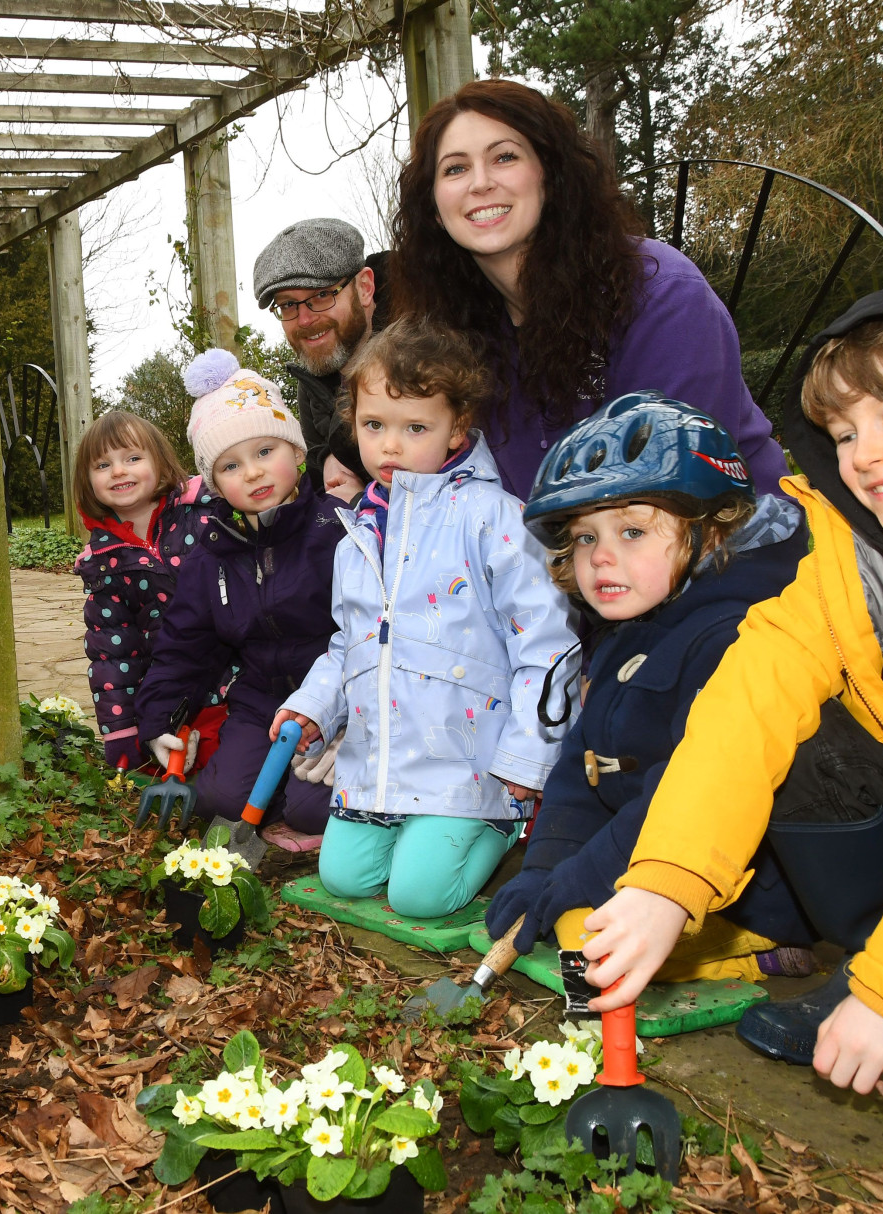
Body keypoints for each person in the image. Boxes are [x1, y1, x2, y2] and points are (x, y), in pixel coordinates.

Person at [580, 273, 883, 1101]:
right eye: (841, 432)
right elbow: (744, 707)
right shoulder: (849, 559)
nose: (864, 453)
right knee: (789, 729)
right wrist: (666, 883)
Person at [485, 392, 813, 980]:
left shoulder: (732, 639)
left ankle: (768, 947)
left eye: (632, 532)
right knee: (564, 923)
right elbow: (578, 775)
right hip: (623, 861)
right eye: (585, 538)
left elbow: (682, 790)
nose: (601, 558)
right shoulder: (625, 634)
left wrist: (582, 874)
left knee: (586, 948)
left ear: (711, 533)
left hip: (729, 885)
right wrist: (543, 868)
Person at [270, 317, 578, 916]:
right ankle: (416, 833)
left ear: (457, 426)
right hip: (380, 762)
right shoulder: (356, 534)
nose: (390, 445)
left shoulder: (494, 518)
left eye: (416, 427)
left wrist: (527, 757)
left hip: (470, 762)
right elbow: (348, 644)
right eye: (373, 425)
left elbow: (546, 645)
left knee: (419, 896)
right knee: (344, 877)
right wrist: (312, 706)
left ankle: (500, 826)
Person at [387, 78, 787, 501]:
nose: (480, 183)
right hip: (549, 559)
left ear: (550, 175)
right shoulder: (454, 332)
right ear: (432, 206)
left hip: (724, 547)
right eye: (455, 168)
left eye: (504, 157)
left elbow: (672, 496)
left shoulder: (661, 296)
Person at [134, 348, 342, 849]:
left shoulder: (336, 531)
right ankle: (270, 791)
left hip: (336, 704)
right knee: (221, 801)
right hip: (262, 704)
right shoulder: (212, 553)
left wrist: (349, 716)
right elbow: (185, 644)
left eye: (265, 451)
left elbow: (369, 635)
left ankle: (308, 800)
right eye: (230, 465)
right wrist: (161, 720)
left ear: (296, 451)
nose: (252, 473)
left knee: (313, 807)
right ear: (212, 483)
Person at [71, 410, 229, 772]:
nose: (119, 471)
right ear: (87, 480)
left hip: (239, 668)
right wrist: (121, 734)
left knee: (237, 754)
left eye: (133, 458)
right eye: (102, 464)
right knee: (194, 759)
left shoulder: (205, 513)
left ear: (160, 461)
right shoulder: (105, 563)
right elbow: (113, 652)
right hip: (175, 688)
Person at [253, 218, 387, 502]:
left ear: (364, 288)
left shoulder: (423, 351)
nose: (305, 319)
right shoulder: (312, 379)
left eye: (322, 295)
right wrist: (325, 459)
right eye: (288, 304)